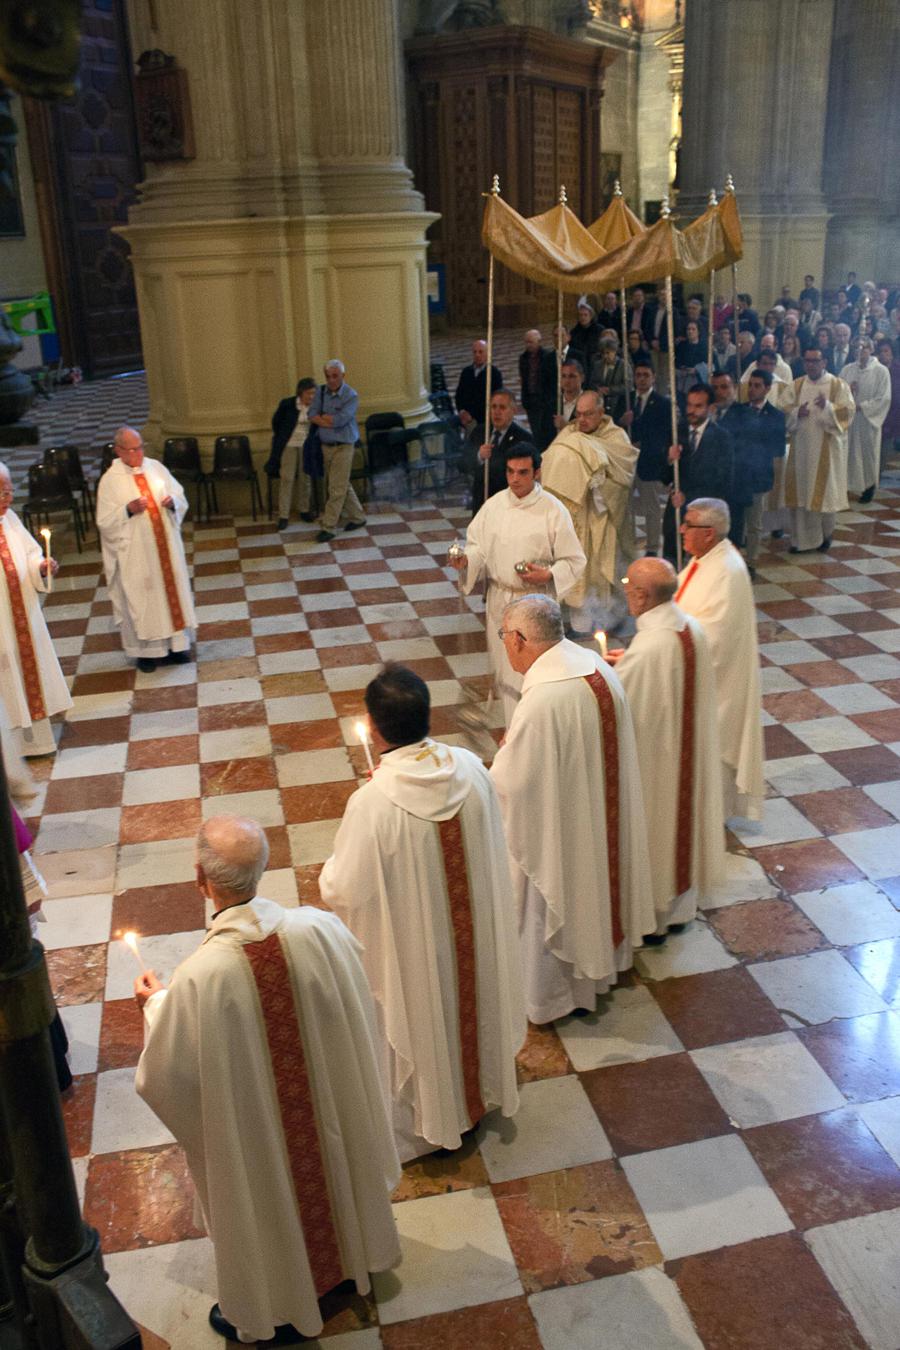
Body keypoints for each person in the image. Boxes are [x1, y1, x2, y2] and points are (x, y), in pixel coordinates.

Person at [134, 816, 401, 1346]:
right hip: (324, 1113)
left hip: (261, 1130)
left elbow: (168, 1077)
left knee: (265, 1186)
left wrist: (155, 1005)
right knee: (329, 1160)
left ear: (199, 879)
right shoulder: (318, 929)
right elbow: (354, 1002)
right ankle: (350, 1261)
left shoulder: (201, 976)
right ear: (265, 867)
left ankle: (279, 1299)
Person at [319, 665, 525, 1161]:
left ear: (372, 725)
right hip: (475, 940)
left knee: (425, 1014)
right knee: (471, 1003)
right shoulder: (472, 768)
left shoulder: (371, 803)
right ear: (427, 714)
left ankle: (431, 1120)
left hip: (418, 952)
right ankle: (481, 1092)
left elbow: (342, 888)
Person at [490, 595, 653, 1024]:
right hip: (599, 817)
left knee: (555, 892)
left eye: (504, 636)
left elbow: (510, 786)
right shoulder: (595, 666)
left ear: (523, 640)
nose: (504, 645)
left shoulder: (544, 701)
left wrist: (491, 768)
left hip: (564, 831)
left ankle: (552, 997)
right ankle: (603, 966)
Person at [611, 558, 725, 934]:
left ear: (642, 596)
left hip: (657, 761)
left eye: (629, 583)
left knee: (656, 828)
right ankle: (678, 910)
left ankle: (654, 918)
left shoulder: (649, 648)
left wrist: (611, 675)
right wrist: (628, 663)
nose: (625, 588)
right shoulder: (689, 626)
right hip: (682, 755)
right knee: (679, 826)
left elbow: (619, 707)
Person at [450, 445, 585, 724]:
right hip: (500, 599)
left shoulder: (552, 510)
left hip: (535, 602)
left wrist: (547, 575)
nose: (514, 479)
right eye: (510, 472)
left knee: (532, 673)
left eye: (523, 473)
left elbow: (574, 560)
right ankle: (514, 730)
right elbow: (478, 548)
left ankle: (536, 730)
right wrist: (466, 562)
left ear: (537, 472)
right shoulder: (494, 506)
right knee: (504, 668)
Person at [674, 498, 764, 823]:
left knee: (714, 748)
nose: (682, 529)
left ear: (709, 533)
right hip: (695, 679)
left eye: (689, 524)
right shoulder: (705, 560)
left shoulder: (726, 571)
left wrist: (665, 647)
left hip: (718, 686)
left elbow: (714, 637)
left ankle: (712, 817)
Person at [95, 427, 196, 675]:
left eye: (140, 447)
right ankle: (145, 653)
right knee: (141, 598)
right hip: (136, 555)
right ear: (119, 450)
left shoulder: (156, 467)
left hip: (165, 549)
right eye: (131, 449)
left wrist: (173, 503)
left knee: (170, 592)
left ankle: (176, 647)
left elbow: (179, 495)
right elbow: (104, 522)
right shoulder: (110, 479)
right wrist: (127, 510)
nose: (138, 453)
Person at [541, 389, 638, 633]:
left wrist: (599, 487)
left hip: (601, 518)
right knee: (575, 570)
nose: (582, 420)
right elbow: (550, 468)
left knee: (600, 571)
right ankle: (578, 622)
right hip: (575, 520)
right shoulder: (569, 434)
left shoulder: (617, 437)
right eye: (579, 414)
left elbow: (623, 479)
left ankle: (608, 620)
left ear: (601, 412)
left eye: (588, 414)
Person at [0, 461, 69, 758]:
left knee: (29, 674)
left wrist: (40, 566)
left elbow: (29, 554)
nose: (9, 498)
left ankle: (38, 742)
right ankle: (10, 747)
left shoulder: (11, 519)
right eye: (2, 492)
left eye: (9, 490)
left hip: (23, 614)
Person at [783, 347, 855, 552]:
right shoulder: (796, 386)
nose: (811, 365)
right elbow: (783, 410)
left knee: (824, 495)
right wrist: (798, 412)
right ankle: (799, 540)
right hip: (801, 450)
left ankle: (825, 535)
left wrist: (828, 408)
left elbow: (848, 413)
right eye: (807, 360)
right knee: (801, 494)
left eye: (815, 360)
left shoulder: (837, 385)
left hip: (826, 452)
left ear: (824, 362)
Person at [662, 385, 733, 562]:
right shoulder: (677, 431)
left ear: (711, 408)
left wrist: (688, 497)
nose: (691, 411)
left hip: (704, 516)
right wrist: (670, 459)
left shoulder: (721, 437)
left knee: (702, 563)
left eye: (698, 406)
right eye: (689, 405)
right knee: (672, 558)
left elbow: (722, 481)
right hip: (676, 510)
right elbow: (665, 476)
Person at [733, 370, 787, 575]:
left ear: (767, 388)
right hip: (738, 474)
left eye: (757, 385)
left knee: (754, 523)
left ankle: (752, 561)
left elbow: (778, 449)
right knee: (737, 521)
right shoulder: (738, 410)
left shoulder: (775, 416)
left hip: (758, 474)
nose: (752, 389)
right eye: (751, 385)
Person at [308, 360, 366, 543]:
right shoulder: (321, 391)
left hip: (344, 446)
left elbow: (341, 420)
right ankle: (358, 517)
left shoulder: (351, 395)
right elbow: (312, 415)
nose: (331, 380)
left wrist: (324, 419)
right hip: (326, 446)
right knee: (341, 485)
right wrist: (327, 419)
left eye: (335, 376)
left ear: (343, 376)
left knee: (335, 487)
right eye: (328, 377)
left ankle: (329, 527)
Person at [622, 361, 672, 557]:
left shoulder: (661, 403)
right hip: (627, 461)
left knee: (651, 507)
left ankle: (651, 547)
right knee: (626, 506)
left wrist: (643, 444)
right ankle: (629, 542)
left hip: (649, 462)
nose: (641, 379)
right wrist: (623, 421)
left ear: (653, 377)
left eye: (645, 375)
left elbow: (663, 433)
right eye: (638, 375)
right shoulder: (627, 400)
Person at [463, 387, 534, 514]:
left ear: (513, 411)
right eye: (493, 407)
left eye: (502, 407)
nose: (497, 412)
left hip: (508, 505)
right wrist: (479, 456)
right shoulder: (480, 432)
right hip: (481, 502)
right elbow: (462, 463)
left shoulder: (523, 439)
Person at [841, 337, 891, 502]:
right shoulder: (848, 369)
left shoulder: (880, 371)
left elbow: (884, 398)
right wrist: (848, 389)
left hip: (867, 420)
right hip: (850, 420)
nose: (860, 352)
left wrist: (863, 406)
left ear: (871, 349)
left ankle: (869, 487)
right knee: (848, 454)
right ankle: (846, 486)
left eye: (863, 348)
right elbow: (837, 391)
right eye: (856, 348)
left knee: (867, 454)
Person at [267, 376, 318, 530]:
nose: (311, 396)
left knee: (305, 478)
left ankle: (304, 510)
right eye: (309, 393)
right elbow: (276, 422)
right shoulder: (287, 404)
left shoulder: (316, 406)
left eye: (313, 393)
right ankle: (283, 515)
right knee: (287, 478)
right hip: (288, 444)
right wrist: (283, 436)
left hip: (307, 445)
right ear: (300, 393)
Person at [518, 329, 557, 450]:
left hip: (544, 400)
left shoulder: (548, 357)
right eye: (526, 342)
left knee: (545, 430)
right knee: (535, 431)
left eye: (531, 342)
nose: (528, 345)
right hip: (530, 400)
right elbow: (524, 379)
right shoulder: (523, 358)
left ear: (539, 342)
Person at [454, 338, 503, 430]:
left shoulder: (494, 373)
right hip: (466, 416)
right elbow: (459, 395)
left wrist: (471, 415)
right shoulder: (466, 372)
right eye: (475, 352)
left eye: (481, 352)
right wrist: (462, 411)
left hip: (484, 418)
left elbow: (494, 399)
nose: (477, 355)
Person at [589, 336, 627, 422]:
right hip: (601, 404)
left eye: (608, 353)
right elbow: (592, 382)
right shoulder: (597, 365)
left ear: (614, 351)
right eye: (603, 353)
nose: (605, 356)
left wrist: (610, 390)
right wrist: (598, 389)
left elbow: (628, 386)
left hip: (618, 405)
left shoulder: (623, 365)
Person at [878, 339, 900, 464]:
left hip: (895, 419)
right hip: (878, 418)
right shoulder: (875, 370)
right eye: (880, 351)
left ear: (892, 353)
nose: (883, 354)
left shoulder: (898, 370)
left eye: (886, 351)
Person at [568, 296, 601, 373]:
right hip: (579, 365)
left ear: (591, 316)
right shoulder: (574, 332)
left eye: (585, 315)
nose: (583, 317)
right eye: (580, 315)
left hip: (595, 365)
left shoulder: (599, 330)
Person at [554, 358, 585, 430]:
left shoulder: (591, 404)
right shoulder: (552, 404)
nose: (567, 381)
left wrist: (566, 428)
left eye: (572, 376)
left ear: (582, 378)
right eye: (563, 376)